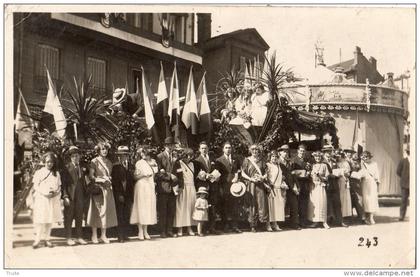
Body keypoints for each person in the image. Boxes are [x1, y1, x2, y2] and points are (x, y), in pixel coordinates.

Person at [87, 142, 118, 244]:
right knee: (97, 211)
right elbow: (91, 176)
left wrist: (108, 178)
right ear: (98, 151)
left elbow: (110, 174)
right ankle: (94, 235)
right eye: (102, 149)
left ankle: (103, 235)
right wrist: (101, 179)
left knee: (106, 212)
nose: (105, 151)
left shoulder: (109, 162)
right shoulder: (94, 161)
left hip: (107, 189)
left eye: (106, 149)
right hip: (98, 188)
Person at [31, 152, 63, 249]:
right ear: (44, 162)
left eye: (52, 162)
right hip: (42, 199)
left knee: (49, 219)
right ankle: (37, 240)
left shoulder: (56, 173)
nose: (50, 164)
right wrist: (44, 193)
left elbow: (59, 186)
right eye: (48, 162)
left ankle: (47, 239)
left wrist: (56, 192)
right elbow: (36, 186)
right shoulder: (39, 172)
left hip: (52, 199)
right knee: (41, 219)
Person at [62, 146, 88, 246]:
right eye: (73, 156)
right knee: (68, 217)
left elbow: (86, 180)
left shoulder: (83, 167)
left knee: (79, 216)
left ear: (79, 156)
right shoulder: (67, 167)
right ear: (70, 157)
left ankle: (79, 237)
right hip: (70, 196)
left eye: (77, 156)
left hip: (80, 195)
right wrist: (65, 196)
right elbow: (64, 183)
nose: (75, 158)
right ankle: (68, 238)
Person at [130, 146, 158, 240]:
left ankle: (146, 230)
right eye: (141, 153)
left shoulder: (153, 162)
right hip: (141, 185)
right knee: (141, 207)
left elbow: (155, 173)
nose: (142, 155)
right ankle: (140, 231)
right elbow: (135, 177)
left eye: (144, 152)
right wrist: (143, 175)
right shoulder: (139, 163)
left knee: (148, 207)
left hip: (150, 186)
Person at [195, 141, 222, 235]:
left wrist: (216, 176)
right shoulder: (197, 160)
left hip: (213, 186)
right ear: (199, 149)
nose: (204, 150)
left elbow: (217, 170)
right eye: (202, 148)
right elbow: (196, 174)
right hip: (203, 187)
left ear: (208, 149)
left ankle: (212, 228)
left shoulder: (212, 159)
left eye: (205, 148)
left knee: (212, 207)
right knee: (203, 207)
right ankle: (203, 229)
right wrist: (205, 175)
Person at [241, 144, 270, 232]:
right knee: (252, 203)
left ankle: (262, 223)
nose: (255, 151)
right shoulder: (247, 160)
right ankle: (252, 225)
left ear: (259, 151)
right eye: (253, 149)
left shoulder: (262, 161)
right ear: (250, 150)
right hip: (251, 184)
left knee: (261, 203)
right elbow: (243, 173)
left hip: (260, 184)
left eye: (256, 149)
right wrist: (251, 179)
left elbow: (267, 172)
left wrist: (262, 177)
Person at [215, 141, 242, 233]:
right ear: (223, 149)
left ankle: (235, 226)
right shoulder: (219, 160)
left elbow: (238, 170)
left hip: (234, 186)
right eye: (226, 147)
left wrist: (237, 177)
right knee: (224, 206)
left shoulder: (236, 159)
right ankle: (225, 226)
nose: (228, 149)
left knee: (235, 206)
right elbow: (217, 173)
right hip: (224, 186)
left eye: (229, 147)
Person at [156, 137, 178, 238]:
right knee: (163, 210)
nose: (170, 147)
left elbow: (178, 172)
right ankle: (162, 231)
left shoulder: (175, 157)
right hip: (163, 188)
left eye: (171, 145)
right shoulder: (159, 157)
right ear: (165, 146)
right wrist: (170, 176)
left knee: (171, 210)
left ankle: (169, 230)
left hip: (173, 188)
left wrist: (178, 183)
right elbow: (158, 174)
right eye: (168, 145)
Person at [173, 148, 199, 236]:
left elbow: (195, 176)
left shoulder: (192, 164)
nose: (189, 157)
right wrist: (177, 188)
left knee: (190, 208)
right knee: (181, 208)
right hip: (183, 188)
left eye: (191, 156)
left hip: (192, 187)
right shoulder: (178, 164)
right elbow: (176, 177)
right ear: (183, 155)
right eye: (187, 155)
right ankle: (179, 229)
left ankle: (189, 228)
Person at [111, 146, 134, 243]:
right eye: (121, 155)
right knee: (120, 215)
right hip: (119, 194)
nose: (123, 157)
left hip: (128, 193)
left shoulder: (131, 166)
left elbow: (132, 181)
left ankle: (125, 234)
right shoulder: (115, 167)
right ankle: (120, 235)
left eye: (125, 155)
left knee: (126, 214)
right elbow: (115, 182)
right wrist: (119, 194)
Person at [278, 145, 301, 230]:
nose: (285, 153)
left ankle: (294, 224)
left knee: (294, 204)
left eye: (287, 151)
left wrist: (296, 186)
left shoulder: (291, 162)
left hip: (291, 186)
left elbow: (293, 175)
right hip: (281, 186)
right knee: (281, 205)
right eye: (284, 151)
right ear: (280, 152)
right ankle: (279, 224)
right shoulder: (277, 162)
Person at [323, 148, 346, 227]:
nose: (328, 154)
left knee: (337, 202)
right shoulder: (322, 162)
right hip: (326, 184)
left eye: (330, 152)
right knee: (327, 203)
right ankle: (327, 221)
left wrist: (340, 173)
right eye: (327, 152)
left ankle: (340, 221)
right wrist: (330, 175)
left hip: (335, 184)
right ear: (324, 153)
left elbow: (337, 171)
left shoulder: (334, 162)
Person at [266, 150, 288, 231]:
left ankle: (275, 224)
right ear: (270, 157)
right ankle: (268, 224)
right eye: (272, 156)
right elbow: (266, 177)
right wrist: (268, 185)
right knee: (270, 207)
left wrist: (283, 183)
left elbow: (281, 177)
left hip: (278, 188)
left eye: (275, 156)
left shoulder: (279, 166)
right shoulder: (268, 165)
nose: (274, 158)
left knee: (277, 207)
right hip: (271, 188)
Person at [290, 144, 311, 227]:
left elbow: (309, 169)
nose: (302, 152)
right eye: (301, 151)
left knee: (304, 203)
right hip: (297, 183)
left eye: (303, 151)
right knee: (296, 204)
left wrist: (308, 173)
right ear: (298, 151)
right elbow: (291, 172)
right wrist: (299, 173)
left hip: (305, 183)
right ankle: (295, 222)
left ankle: (303, 221)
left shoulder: (307, 160)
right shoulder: (293, 160)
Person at [308, 151, 330, 229]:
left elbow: (327, 178)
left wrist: (320, 176)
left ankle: (324, 222)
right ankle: (315, 221)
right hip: (313, 186)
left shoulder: (324, 165)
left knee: (322, 203)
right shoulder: (312, 165)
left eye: (319, 157)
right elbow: (309, 176)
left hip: (320, 186)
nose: (317, 158)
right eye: (316, 157)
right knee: (314, 203)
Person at [359, 151, 380, 225]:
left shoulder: (374, 164)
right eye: (363, 157)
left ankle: (371, 217)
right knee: (365, 199)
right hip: (364, 183)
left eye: (366, 157)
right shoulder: (362, 164)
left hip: (372, 183)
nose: (365, 158)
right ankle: (364, 216)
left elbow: (377, 174)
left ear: (369, 157)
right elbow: (360, 174)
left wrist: (377, 184)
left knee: (372, 199)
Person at [345, 148, 364, 222]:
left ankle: (361, 216)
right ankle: (350, 216)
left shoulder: (356, 161)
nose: (349, 154)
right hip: (346, 181)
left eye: (351, 152)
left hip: (355, 181)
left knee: (358, 198)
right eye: (347, 152)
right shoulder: (344, 161)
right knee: (348, 199)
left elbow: (359, 169)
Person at [336, 150, 353, 223]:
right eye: (336, 155)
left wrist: (345, 174)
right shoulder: (335, 162)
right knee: (338, 198)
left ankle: (345, 215)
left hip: (344, 181)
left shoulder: (345, 163)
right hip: (336, 181)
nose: (338, 156)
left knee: (345, 198)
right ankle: (338, 215)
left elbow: (349, 173)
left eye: (339, 155)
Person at [397, 149, 410, 221]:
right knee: (404, 200)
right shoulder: (403, 161)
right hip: (405, 184)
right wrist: (404, 177)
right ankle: (401, 216)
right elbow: (398, 171)